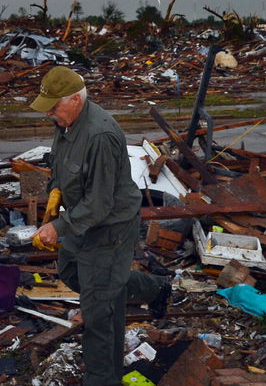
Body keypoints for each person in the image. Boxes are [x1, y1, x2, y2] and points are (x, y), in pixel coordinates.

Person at [32, 66, 170, 386]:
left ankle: (102, 379)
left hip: (110, 227)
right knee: (72, 273)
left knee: (98, 313)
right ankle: (153, 287)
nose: (50, 114)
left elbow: (100, 204)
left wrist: (58, 227)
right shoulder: (66, 123)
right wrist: (56, 190)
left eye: (54, 107)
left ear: (76, 99)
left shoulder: (101, 135)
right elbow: (61, 163)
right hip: (83, 220)